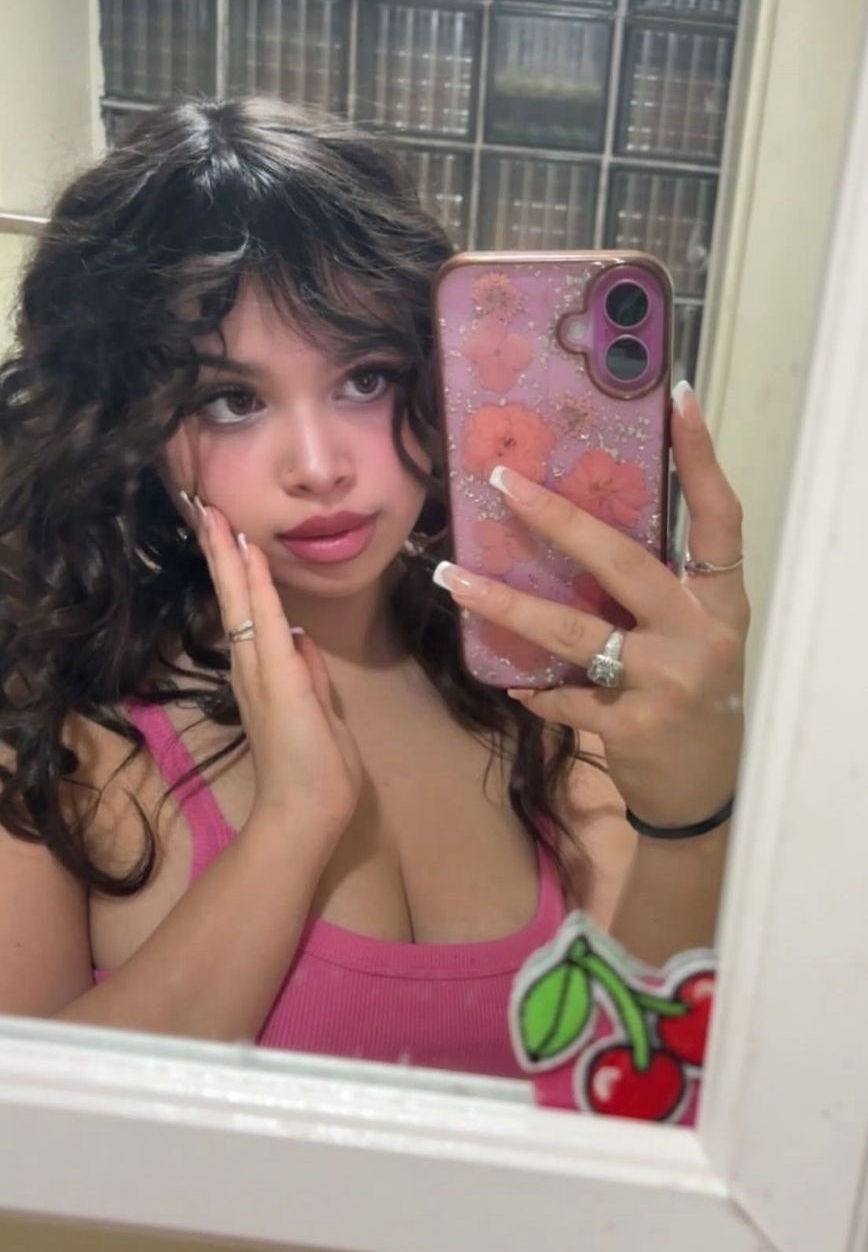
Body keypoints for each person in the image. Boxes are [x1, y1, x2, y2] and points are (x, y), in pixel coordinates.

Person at [0, 97, 748, 1078]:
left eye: (364, 378)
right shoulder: (57, 732)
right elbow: (31, 1142)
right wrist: (294, 820)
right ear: (129, 424)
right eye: (231, 398)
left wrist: (691, 817)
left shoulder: (538, 694)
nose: (318, 468)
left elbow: (620, 1088)